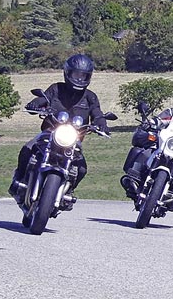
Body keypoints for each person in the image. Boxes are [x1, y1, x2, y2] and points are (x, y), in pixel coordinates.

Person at [9, 54, 109, 208]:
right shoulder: (56, 89)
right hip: (49, 134)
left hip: (73, 141)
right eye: (76, 74)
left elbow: (97, 112)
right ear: (67, 73)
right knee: (27, 149)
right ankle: (18, 181)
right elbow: (44, 99)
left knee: (81, 168)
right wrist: (34, 104)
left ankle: (67, 192)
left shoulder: (90, 97)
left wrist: (101, 123)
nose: (79, 79)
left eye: (83, 76)